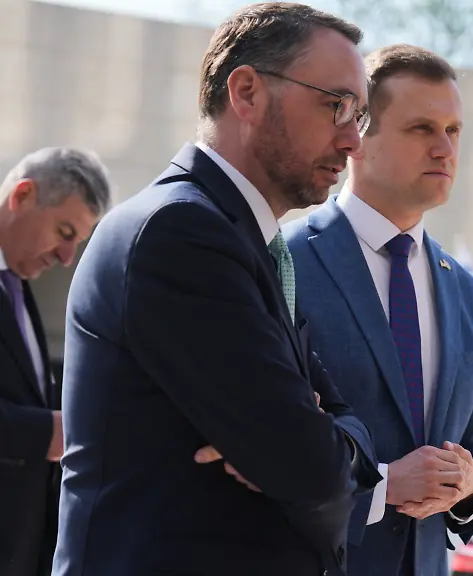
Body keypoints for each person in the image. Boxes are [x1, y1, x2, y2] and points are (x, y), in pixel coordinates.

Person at [54, 4, 381, 575]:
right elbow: (313, 469)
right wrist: (322, 451)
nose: (353, 140)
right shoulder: (180, 232)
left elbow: (337, 441)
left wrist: (329, 446)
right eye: (337, 105)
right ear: (247, 92)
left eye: (361, 115)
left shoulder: (250, 244)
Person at [283, 44, 473, 576]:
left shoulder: (470, 294)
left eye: (453, 131)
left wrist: (468, 489)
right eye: (421, 128)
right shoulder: (284, 262)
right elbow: (260, 450)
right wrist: (378, 490)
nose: (444, 148)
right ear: (358, 137)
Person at [0, 147, 111, 576]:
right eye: (63, 232)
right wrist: (48, 432)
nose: (67, 258)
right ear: (22, 195)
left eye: (77, 242)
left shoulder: (18, 287)